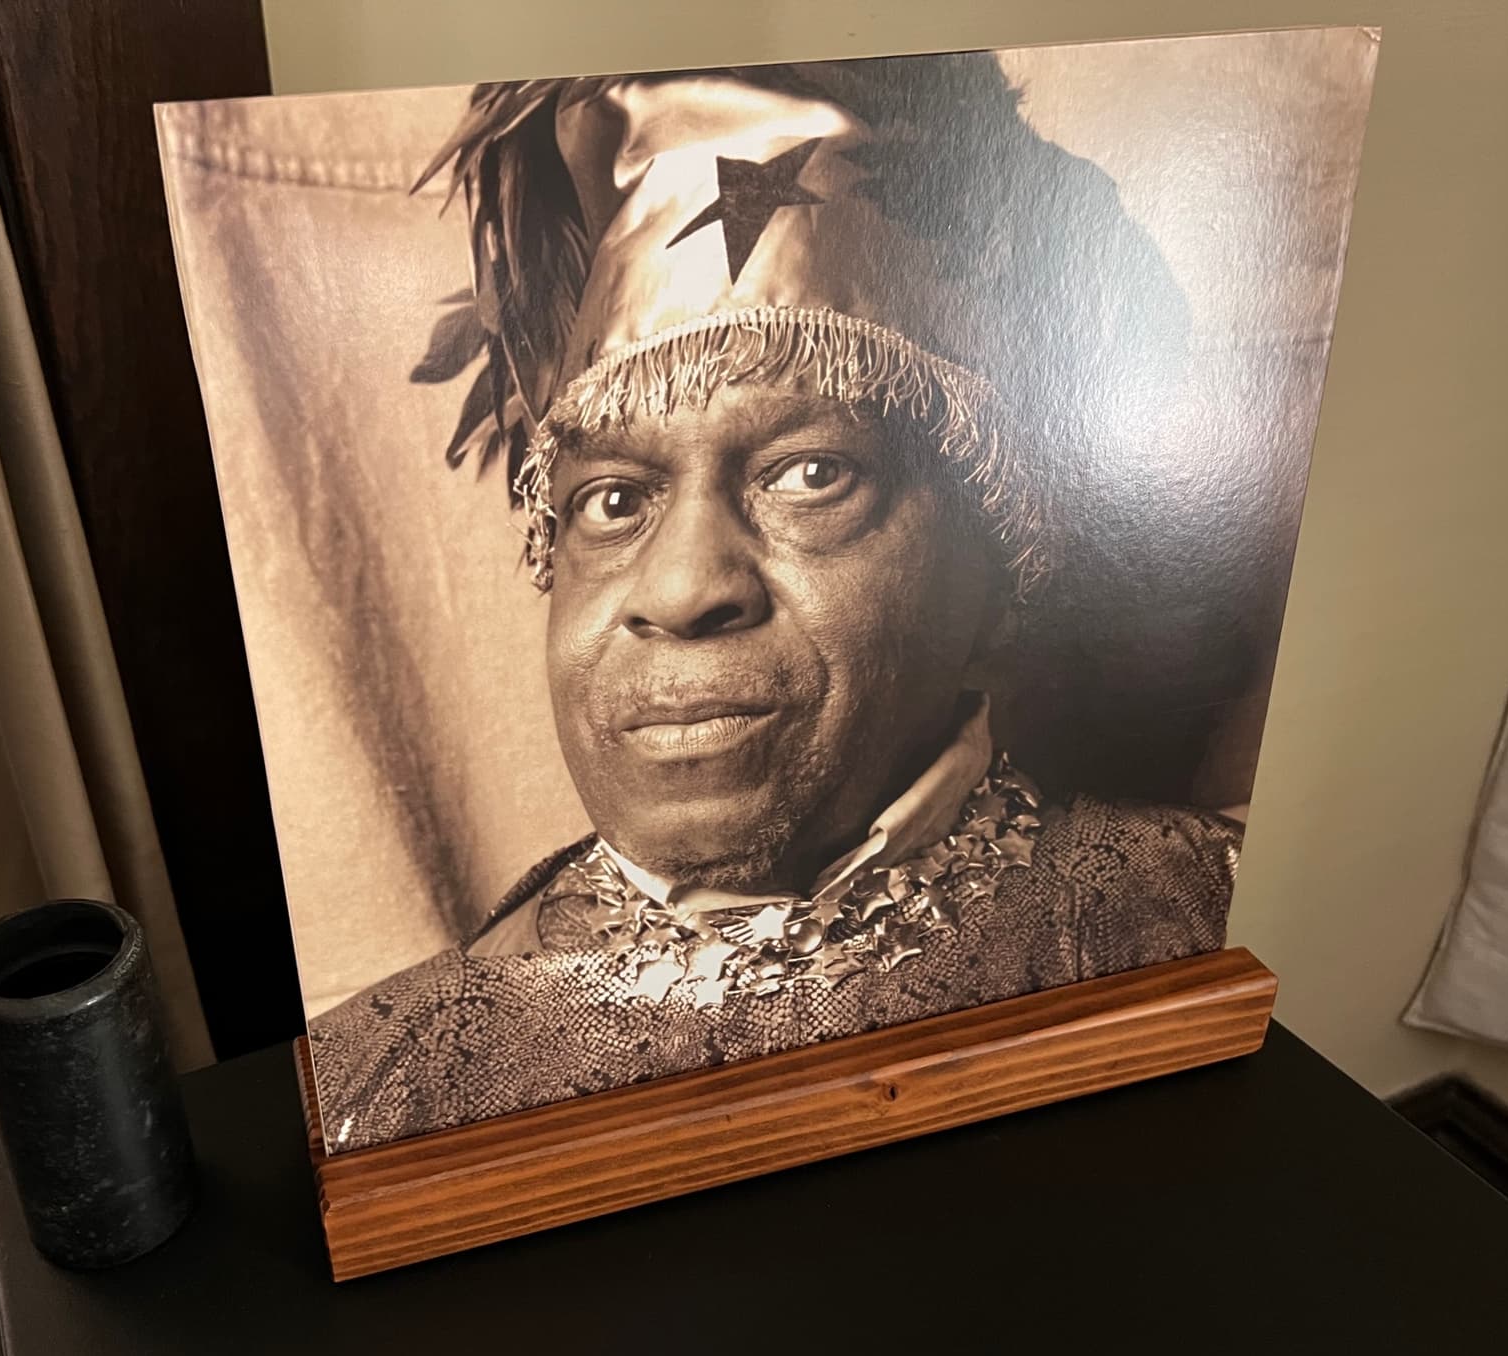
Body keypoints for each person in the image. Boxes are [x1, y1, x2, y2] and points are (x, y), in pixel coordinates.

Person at [308, 56, 1238, 1151]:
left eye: (811, 475)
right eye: (614, 500)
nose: (682, 589)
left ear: (1001, 573)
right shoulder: (374, 1088)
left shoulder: (1217, 915)